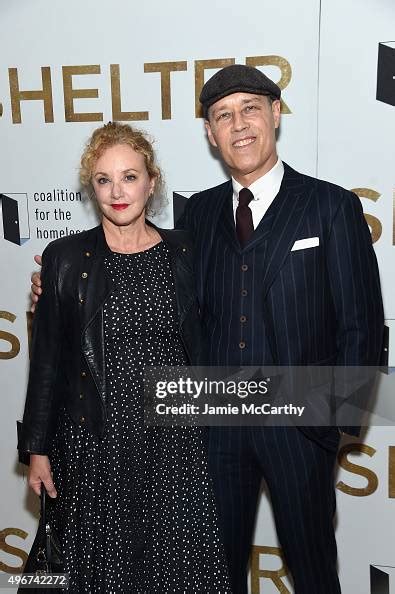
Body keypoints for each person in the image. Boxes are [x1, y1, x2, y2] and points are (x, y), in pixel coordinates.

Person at [30, 66, 384, 594]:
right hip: (211, 432)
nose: (238, 124)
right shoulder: (197, 215)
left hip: (299, 429)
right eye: (223, 115)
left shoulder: (330, 206)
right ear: (210, 133)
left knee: (313, 572)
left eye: (250, 109)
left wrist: (331, 427)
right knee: (212, 576)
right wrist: (55, 295)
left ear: (275, 115)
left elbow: (361, 326)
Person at [19, 122, 231, 593]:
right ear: (91, 187)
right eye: (103, 179)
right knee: (102, 573)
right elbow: (48, 361)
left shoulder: (187, 251)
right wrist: (37, 449)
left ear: (151, 182)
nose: (117, 191)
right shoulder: (67, 257)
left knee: (174, 569)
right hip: (96, 441)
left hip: (174, 443)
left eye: (129, 177)